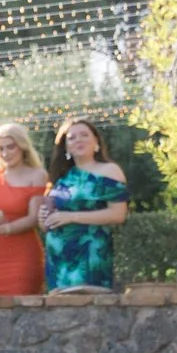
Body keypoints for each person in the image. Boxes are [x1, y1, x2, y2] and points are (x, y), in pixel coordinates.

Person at [41, 115, 129, 291]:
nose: (78, 140)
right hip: (59, 262)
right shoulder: (61, 177)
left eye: (84, 135)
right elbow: (45, 225)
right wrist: (42, 217)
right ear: (66, 147)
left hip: (89, 256)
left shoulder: (109, 171)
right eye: (71, 138)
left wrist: (71, 217)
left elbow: (118, 215)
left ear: (96, 141)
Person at [0, 123, 50, 297]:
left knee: (23, 309)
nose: (6, 153)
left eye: (11, 147)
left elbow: (33, 218)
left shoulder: (37, 175)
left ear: (22, 146)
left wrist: (1, 229)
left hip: (22, 256)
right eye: (1, 149)